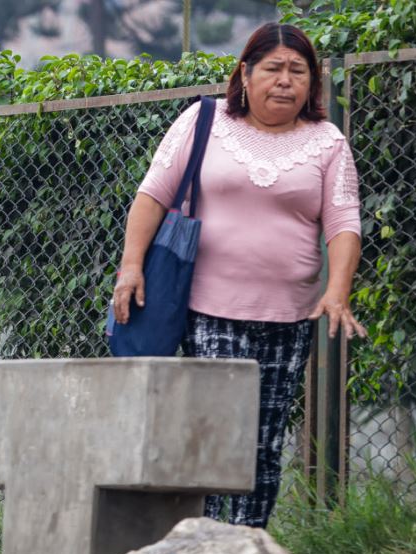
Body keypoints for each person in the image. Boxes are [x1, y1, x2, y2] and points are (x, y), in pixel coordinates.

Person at [112, 22, 364, 528]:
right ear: (245, 74)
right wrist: (131, 266)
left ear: (312, 83)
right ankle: (206, 542)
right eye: (273, 69)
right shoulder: (203, 122)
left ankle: (246, 546)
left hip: (288, 316)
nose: (286, 81)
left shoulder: (327, 141)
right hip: (209, 307)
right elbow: (152, 196)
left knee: (263, 440)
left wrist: (337, 292)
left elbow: (343, 220)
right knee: (222, 430)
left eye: (299, 71)